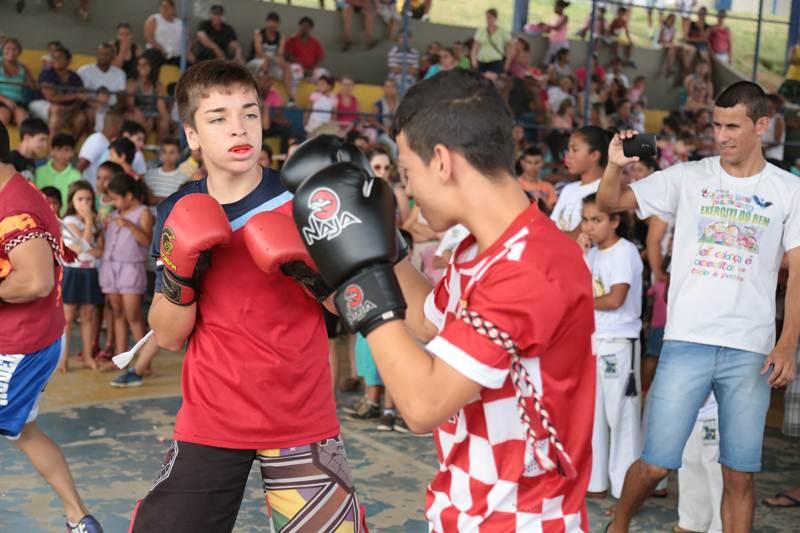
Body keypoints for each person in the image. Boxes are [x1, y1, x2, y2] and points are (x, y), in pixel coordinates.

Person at [288, 68, 595, 531]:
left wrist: (359, 274)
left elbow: (423, 403)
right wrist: (366, 244)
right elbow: (427, 321)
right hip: (467, 507)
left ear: (442, 162)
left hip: (522, 520)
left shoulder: (531, 266)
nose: (406, 189)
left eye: (407, 172)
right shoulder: (484, 249)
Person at [124, 59, 365, 531]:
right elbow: (169, 335)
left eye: (249, 113)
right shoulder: (178, 209)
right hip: (212, 417)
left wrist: (309, 269)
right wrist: (180, 268)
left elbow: (353, 309)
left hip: (303, 416)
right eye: (218, 118)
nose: (239, 128)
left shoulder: (303, 198)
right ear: (192, 135)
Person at [598, 81, 800, 533]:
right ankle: (619, 524)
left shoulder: (789, 191)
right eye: (716, 124)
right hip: (687, 340)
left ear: (762, 126)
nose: (722, 135)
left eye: (733, 125)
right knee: (655, 464)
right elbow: (611, 202)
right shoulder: (689, 177)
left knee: (739, 474)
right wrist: (614, 167)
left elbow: (799, 272)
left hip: (749, 348)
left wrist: (787, 345)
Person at [0, 122, 103, 532]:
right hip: (27, 338)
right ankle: (79, 517)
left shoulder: (14, 209)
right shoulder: (15, 191)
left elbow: (34, 281)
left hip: (17, 345)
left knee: (22, 432)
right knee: (24, 433)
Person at [580, 194, 643, 500]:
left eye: (597, 220)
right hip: (594, 341)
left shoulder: (625, 252)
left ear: (615, 221)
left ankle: (625, 492)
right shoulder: (590, 254)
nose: (590, 227)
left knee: (622, 421)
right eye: (586, 219)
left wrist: (579, 304)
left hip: (619, 343)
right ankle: (596, 483)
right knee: (593, 417)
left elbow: (615, 298)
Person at [99, 172, 152, 357]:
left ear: (129, 196)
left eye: (116, 198)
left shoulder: (143, 212)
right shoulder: (115, 214)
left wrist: (129, 225)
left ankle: (142, 363)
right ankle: (121, 356)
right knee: (118, 312)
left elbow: (147, 241)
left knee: (134, 316)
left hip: (131, 268)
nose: (114, 203)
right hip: (110, 267)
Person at [61, 180, 105, 373]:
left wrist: (88, 245)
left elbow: (100, 251)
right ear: (72, 200)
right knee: (68, 317)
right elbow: (84, 245)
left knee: (88, 315)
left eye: (88, 199)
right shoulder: (70, 221)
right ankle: (63, 359)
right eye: (80, 199)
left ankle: (88, 356)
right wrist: (88, 221)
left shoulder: (95, 222)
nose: (85, 203)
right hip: (72, 271)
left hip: (89, 272)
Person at [551, 126, 609, 237]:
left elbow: (579, 236)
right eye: (568, 150)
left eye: (574, 150)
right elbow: (552, 226)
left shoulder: (603, 190)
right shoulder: (568, 189)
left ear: (594, 155)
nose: (567, 157)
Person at [28, 45, 88, 139]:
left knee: (81, 118)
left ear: (68, 61)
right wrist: (75, 96)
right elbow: (51, 97)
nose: (55, 60)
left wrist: (72, 107)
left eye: (59, 57)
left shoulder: (75, 77)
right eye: (53, 57)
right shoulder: (47, 73)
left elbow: (81, 98)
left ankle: (69, 146)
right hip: (41, 103)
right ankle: (53, 149)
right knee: (57, 109)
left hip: (67, 108)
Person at [247, 12, 295, 105]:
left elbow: (280, 54)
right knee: (264, 62)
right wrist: (272, 58)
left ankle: (291, 97)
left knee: (287, 66)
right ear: (266, 22)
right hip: (255, 63)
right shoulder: (259, 33)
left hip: (271, 62)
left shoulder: (280, 36)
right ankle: (260, 93)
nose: (272, 24)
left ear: (278, 24)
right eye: (270, 21)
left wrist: (274, 59)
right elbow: (259, 53)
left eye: (275, 22)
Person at [125, 55, 171, 141]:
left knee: (163, 124)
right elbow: (130, 105)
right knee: (142, 122)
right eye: (140, 65)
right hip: (136, 113)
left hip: (153, 114)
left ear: (151, 67)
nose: (143, 67)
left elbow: (161, 107)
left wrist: (166, 120)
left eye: (146, 64)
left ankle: (161, 152)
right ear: (136, 68)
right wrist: (140, 114)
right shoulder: (131, 83)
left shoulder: (157, 85)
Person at [34, 134, 81, 216]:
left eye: (67, 150)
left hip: (65, 219)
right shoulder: (39, 172)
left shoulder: (77, 176)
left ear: (73, 153)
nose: (62, 153)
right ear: (51, 151)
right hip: (39, 217)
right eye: (59, 149)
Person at [76, 111, 124, 189]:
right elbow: (81, 165)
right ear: (115, 126)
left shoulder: (106, 141)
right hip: (91, 190)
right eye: (121, 127)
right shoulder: (97, 140)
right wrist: (80, 188)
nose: (122, 130)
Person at [78, 41, 126, 112]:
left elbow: (121, 97)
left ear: (113, 56)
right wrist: (93, 105)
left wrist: (115, 112)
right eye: (101, 53)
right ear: (97, 54)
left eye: (107, 54)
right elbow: (80, 94)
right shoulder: (84, 70)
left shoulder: (120, 73)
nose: (103, 56)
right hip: (90, 108)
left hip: (112, 109)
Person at [0, 38, 35, 127]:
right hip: (1, 100)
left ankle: (25, 141)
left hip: (17, 103)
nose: (11, 51)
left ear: (19, 52)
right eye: (8, 48)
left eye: (15, 49)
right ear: (3, 50)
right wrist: (7, 101)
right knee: (3, 115)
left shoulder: (23, 68)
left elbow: (33, 86)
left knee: (23, 117)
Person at [144, 137, 188, 205]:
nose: (167, 156)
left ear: (179, 155)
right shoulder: (148, 175)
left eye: (172, 152)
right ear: (160, 154)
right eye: (164, 152)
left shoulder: (184, 178)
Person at [144, 0, 187, 67]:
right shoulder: (154, 19)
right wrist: (161, 49)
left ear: (173, 8)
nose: (165, 9)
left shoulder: (179, 23)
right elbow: (148, 37)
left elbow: (188, 38)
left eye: (167, 7)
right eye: (162, 6)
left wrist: (187, 51)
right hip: (158, 53)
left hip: (176, 55)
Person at [470, 8, 511, 75]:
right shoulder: (481, 31)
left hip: (496, 61)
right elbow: (475, 47)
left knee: (492, 79)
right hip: (481, 60)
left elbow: (510, 47)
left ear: (495, 18)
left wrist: (507, 63)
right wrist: (473, 60)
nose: (488, 20)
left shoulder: (502, 31)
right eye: (486, 17)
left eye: (490, 17)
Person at [284, 16, 326, 80]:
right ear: (300, 26)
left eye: (307, 27)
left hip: (310, 69)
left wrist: (312, 69)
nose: (305, 29)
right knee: (296, 69)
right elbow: (287, 55)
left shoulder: (315, 42)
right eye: (303, 26)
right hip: (296, 67)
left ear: (311, 29)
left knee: (323, 73)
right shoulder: (292, 39)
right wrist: (302, 67)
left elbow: (320, 58)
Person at [517, 145, 557, 210]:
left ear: (542, 163)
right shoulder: (515, 184)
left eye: (536, 162)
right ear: (522, 163)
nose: (533, 166)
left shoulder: (549, 187)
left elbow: (551, 211)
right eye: (529, 162)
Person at [543, 0, 570, 65]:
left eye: (556, 6)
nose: (554, 8)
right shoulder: (554, 17)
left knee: (558, 63)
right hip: (553, 43)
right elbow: (550, 30)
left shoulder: (565, 17)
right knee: (550, 62)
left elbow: (558, 28)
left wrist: (547, 26)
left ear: (561, 8)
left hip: (560, 44)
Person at [762, 93, 785, 168]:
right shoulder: (763, 117)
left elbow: (777, 141)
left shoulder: (778, 119)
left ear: (775, 104)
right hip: (762, 156)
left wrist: (763, 148)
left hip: (773, 157)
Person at [778, 39, 800, 105]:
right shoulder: (794, 48)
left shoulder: (794, 50)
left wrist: (794, 56)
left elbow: (795, 61)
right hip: (791, 78)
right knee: (781, 99)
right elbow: (791, 60)